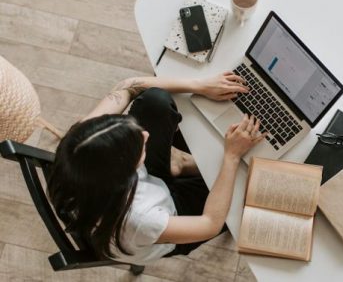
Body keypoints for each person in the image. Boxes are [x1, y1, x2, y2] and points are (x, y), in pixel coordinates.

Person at [48, 71, 266, 265]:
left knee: (154, 100)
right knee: (250, 187)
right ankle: (182, 167)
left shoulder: (80, 143)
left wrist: (199, 85)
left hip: (137, 191)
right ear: (126, 172)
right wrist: (231, 156)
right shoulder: (141, 220)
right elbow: (210, 224)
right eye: (138, 145)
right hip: (169, 219)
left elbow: (128, 86)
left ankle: (177, 166)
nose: (145, 134)